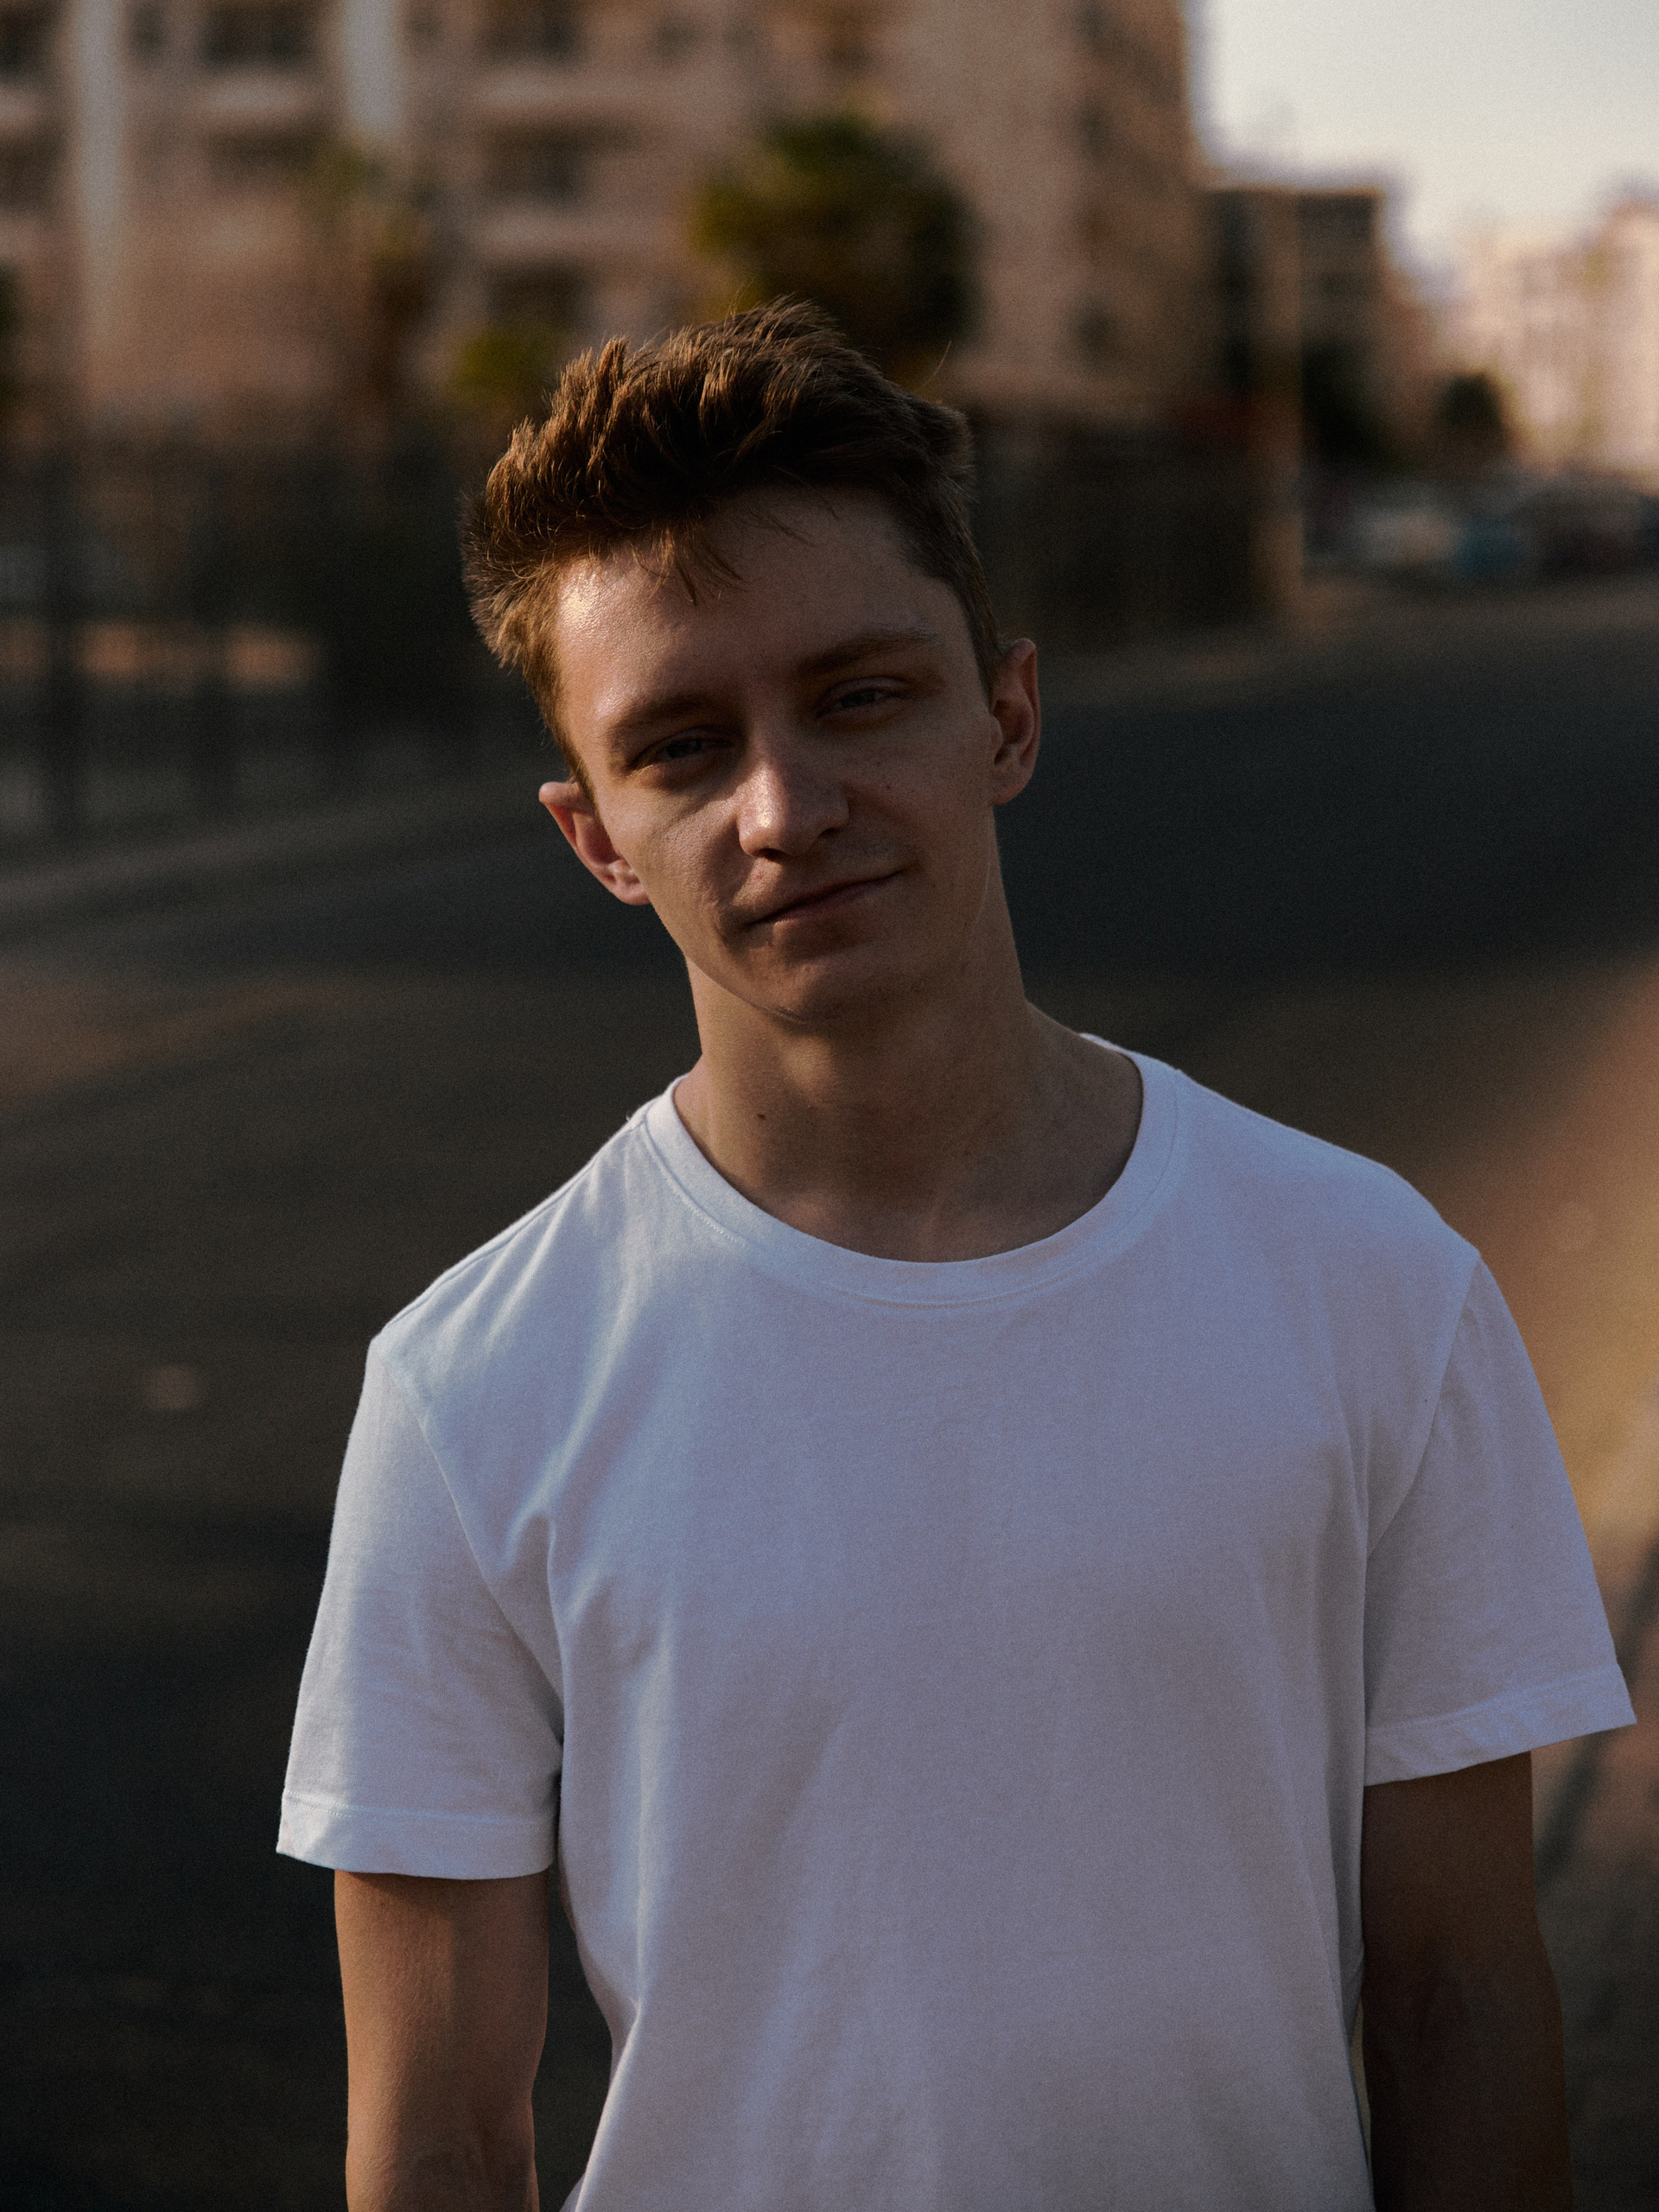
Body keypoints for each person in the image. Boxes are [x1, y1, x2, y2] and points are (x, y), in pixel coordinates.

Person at [279, 302, 1633, 2212]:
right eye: (684, 746)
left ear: (1006, 715)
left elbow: (1460, 2001)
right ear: (597, 836)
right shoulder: (468, 1387)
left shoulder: (1370, 1283)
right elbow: (436, 2138)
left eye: (859, 696)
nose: (785, 809)